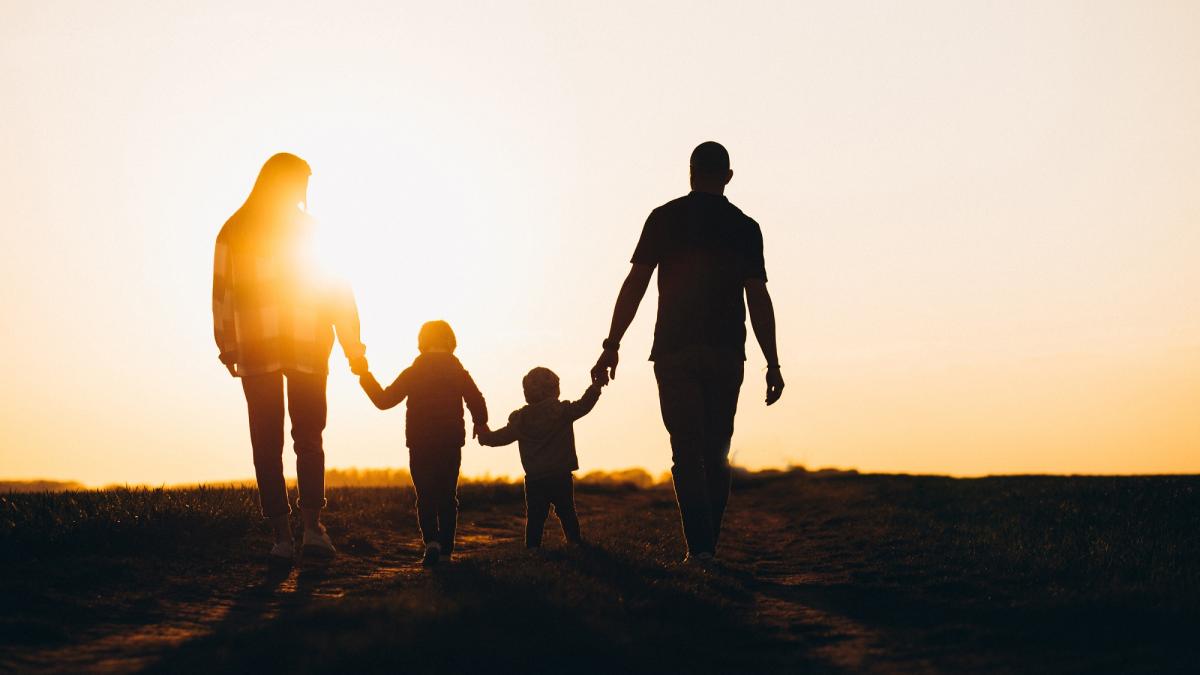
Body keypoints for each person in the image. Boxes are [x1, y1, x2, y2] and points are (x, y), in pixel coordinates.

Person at [590, 141, 784, 565]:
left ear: (691, 172)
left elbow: (635, 284)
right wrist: (772, 361)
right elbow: (758, 299)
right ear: (728, 176)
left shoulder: (664, 218)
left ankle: (699, 548)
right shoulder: (745, 226)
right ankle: (706, 546)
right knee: (715, 452)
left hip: (674, 350)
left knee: (686, 452)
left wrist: (612, 344)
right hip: (726, 351)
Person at [213, 152, 368, 563]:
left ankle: (285, 538)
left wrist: (227, 343)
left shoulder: (234, 229)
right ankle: (310, 530)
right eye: (303, 181)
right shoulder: (307, 231)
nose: (306, 190)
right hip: (305, 345)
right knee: (307, 438)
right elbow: (339, 296)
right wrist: (354, 348)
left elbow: (221, 294)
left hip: (264, 346)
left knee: (268, 442)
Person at [359, 320, 487, 566]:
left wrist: (365, 376)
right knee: (448, 496)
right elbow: (476, 400)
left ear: (422, 343)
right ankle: (447, 552)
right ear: (451, 342)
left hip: (420, 442)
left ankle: (431, 543)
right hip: (450, 441)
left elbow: (384, 401)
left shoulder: (414, 372)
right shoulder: (458, 372)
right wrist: (480, 423)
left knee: (425, 495)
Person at [477, 367, 603, 548]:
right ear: (555, 389)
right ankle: (575, 544)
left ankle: (533, 549)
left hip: (535, 478)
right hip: (560, 474)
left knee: (535, 517)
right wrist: (596, 387)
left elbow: (501, 438)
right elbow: (584, 405)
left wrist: (484, 436)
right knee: (567, 512)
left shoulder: (520, 419)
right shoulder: (561, 411)